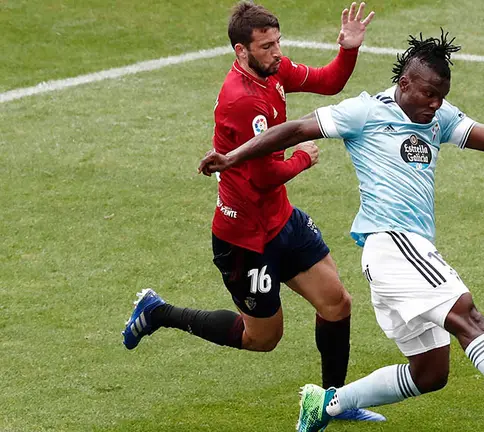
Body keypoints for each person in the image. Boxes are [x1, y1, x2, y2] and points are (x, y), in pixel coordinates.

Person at [198, 30, 484, 432]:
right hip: (392, 244)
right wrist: (232, 157)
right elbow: (293, 130)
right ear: (405, 82)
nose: (436, 104)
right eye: (429, 94)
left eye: (441, 97)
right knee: (468, 316)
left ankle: (326, 403)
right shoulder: (365, 112)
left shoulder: (438, 118)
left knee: (431, 372)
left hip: (401, 254)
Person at [122, 1, 385, 423]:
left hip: (281, 220)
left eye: (278, 42)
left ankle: (331, 404)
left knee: (337, 303)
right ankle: (158, 311)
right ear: (241, 52)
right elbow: (263, 176)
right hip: (243, 237)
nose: (277, 52)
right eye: (266, 46)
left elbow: (329, 81)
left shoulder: (274, 71)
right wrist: (303, 158)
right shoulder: (241, 101)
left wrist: (348, 49)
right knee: (263, 338)